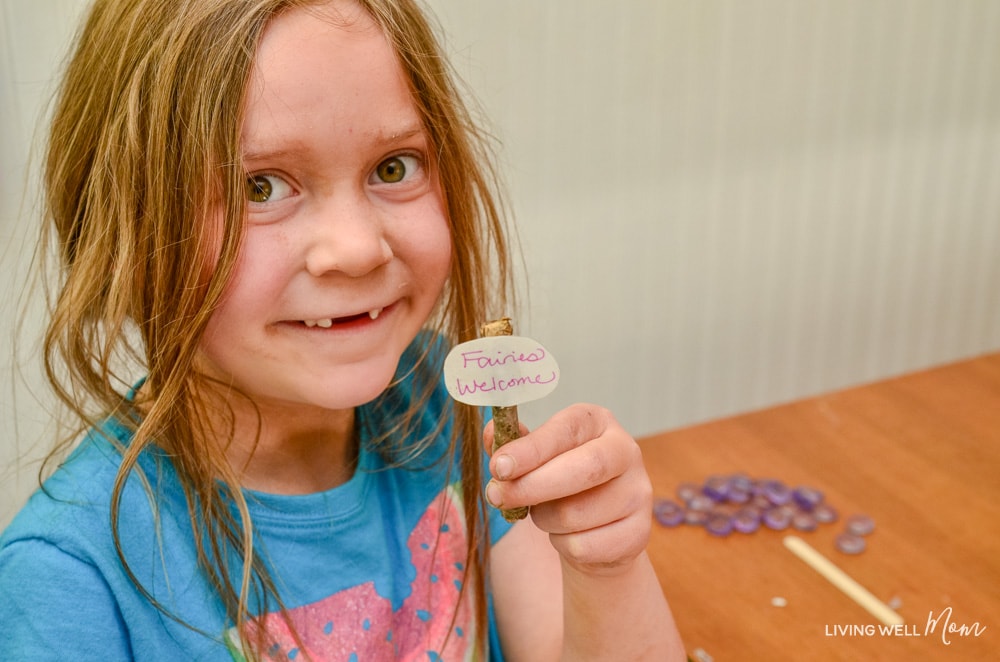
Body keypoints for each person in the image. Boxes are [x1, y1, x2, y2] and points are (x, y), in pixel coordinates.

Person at [0, 0, 685, 660]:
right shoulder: (67, 581)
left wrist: (607, 568)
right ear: (123, 236)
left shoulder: (439, 403)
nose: (357, 248)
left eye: (394, 168)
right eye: (259, 187)